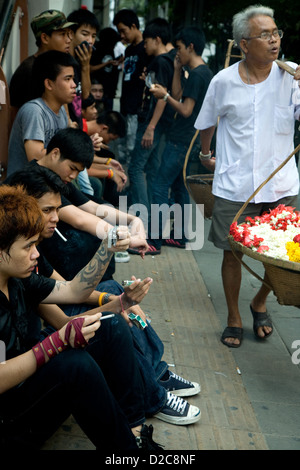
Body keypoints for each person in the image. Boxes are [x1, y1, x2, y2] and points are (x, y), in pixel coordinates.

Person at [7, 164, 202, 426]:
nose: (56, 217)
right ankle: (150, 400)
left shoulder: (27, 265)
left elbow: (73, 290)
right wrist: (110, 310)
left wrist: (119, 300)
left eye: (58, 209)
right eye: (48, 211)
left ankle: (155, 377)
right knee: (111, 327)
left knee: (113, 295)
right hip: (24, 388)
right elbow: (63, 322)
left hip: (40, 353)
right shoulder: (20, 267)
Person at [0, 184, 162, 450]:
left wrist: (108, 251)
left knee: (109, 327)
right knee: (75, 365)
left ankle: (133, 428)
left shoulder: (19, 279)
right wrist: (56, 344)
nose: (36, 254)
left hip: (27, 379)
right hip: (9, 415)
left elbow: (75, 290)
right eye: (27, 246)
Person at [194, 4, 300, 348]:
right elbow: (207, 122)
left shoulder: (292, 76)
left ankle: (260, 301)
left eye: (276, 33)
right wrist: (206, 154)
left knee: (284, 255)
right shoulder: (222, 81)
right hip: (235, 185)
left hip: (282, 186)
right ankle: (233, 316)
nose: (274, 41)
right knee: (230, 252)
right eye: (265, 35)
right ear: (244, 43)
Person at [7, 127, 148, 280]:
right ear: (55, 153)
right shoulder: (32, 180)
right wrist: (125, 238)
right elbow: (79, 219)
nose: (74, 175)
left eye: (78, 172)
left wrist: (133, 219)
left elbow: (91, 207)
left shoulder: (56, 176)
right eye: (72, 168)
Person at [142, 26, 213, 254]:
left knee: (160, 185)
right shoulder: (203, 73)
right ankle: (179, 236)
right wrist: (176, 69)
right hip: (189, 141)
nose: (177, 52)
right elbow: (179, 93)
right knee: (179, 188)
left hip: (180, 140)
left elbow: (184, 109)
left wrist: (164, 97)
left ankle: (153, 240)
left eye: (180, 48)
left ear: (190, 47)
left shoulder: (198, 75)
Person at [127, 18, 176, 226]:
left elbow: (162, 98)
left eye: (146, 41)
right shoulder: (170, 60)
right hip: (161, 125)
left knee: (136, 169)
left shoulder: (160, 61)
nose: (144, 45)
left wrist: (150, 127)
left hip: (151, 122)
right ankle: (154, 221)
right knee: (152, 170)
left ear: (157, 40)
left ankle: (141, 221)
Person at [7, 50, 78, 176]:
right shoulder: (34, 111)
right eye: (68, 79)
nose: (74, 85)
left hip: (49, 181)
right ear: (49, 84)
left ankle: (123, 197)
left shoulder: (61, 110)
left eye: (73, 79)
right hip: (25, 188)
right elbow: (36, 158)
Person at [8, 9, 76, 120]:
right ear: (44, 38)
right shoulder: (30, 70)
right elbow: (17, 114)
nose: (68, 40)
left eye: (69, 34)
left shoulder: (60, 64)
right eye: (62, 34)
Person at [113, 9, 151, 164]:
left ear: (134, 26)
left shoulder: (146, 48)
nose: (122, 36)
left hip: (136, 109)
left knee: (131, 150)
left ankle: (131, 185)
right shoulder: (128, 50)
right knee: (121, 149)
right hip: (124, 105)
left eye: (123, 31)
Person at [90, 27, 124, 110]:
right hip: (98, 91)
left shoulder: (110, 50)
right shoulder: (97, 49)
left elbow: (111, 66)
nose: (114, 45)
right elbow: (90, 68)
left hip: (110, 92)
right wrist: (106, 63)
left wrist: (118, 61)